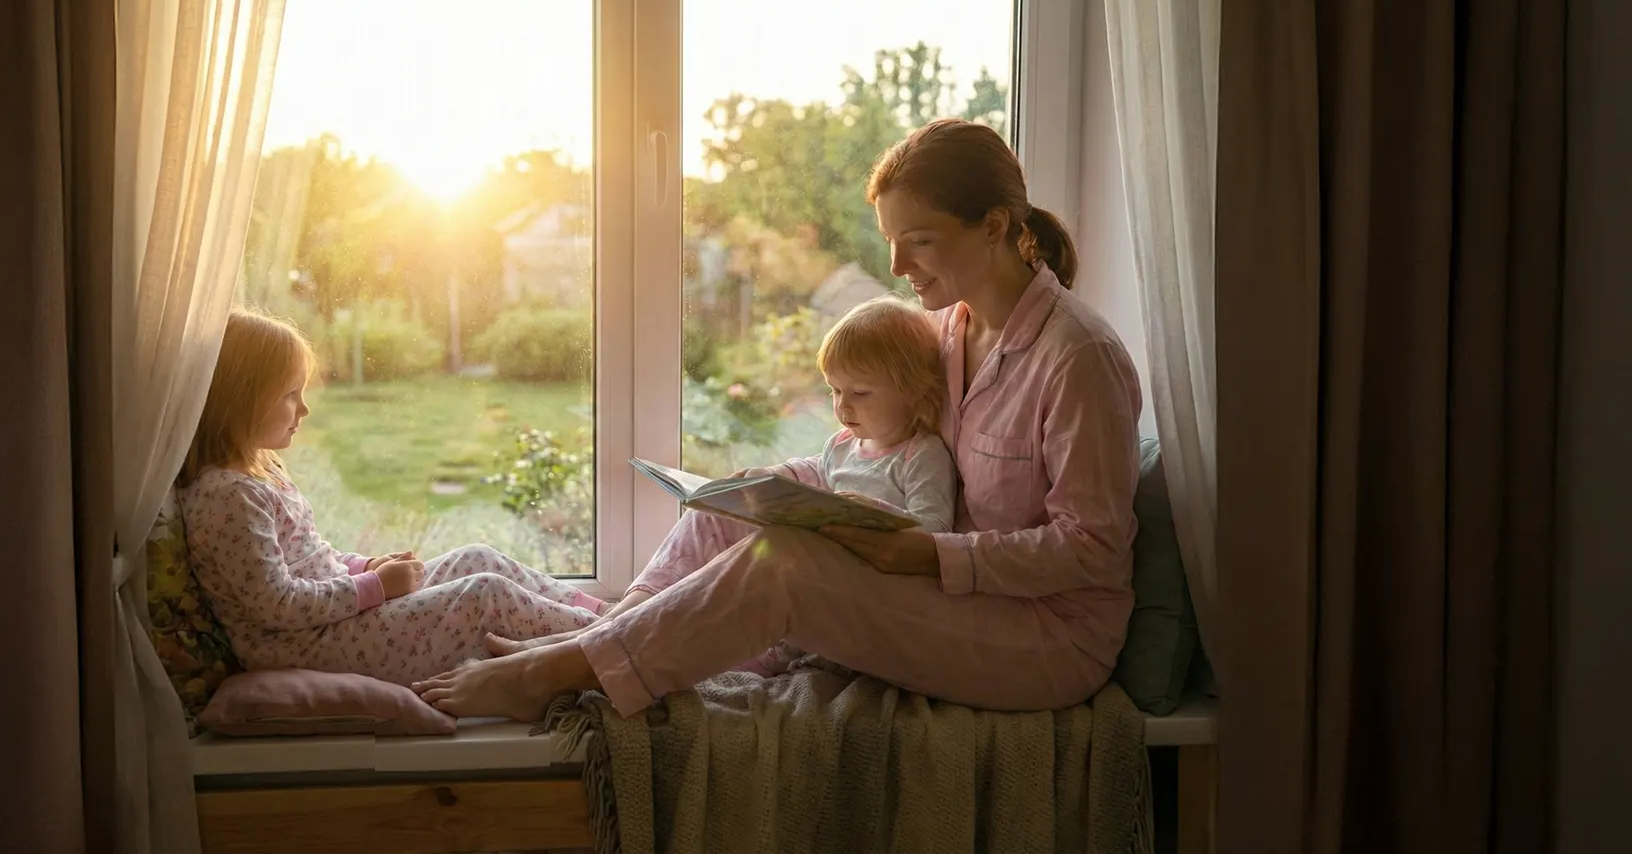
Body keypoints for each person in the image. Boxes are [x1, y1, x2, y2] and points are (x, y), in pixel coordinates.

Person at [415, 118, 1143, 722]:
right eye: (890, 239)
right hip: (959, 594)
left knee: (785, 570)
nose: (894, 265)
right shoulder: (951, 330)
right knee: (732, 502)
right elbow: (894, 445)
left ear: (993, 226)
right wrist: (777, 489)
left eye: (917, 240)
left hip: (1045, 640)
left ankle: (554, 676)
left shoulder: (1078, 357)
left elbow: (1092, 547)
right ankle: (601, 636)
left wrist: (927, 555)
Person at [488, 294, 959, 677]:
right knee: (709, 511)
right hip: (803, 585)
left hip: (844, 608)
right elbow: (813, 470)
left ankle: (598, 643)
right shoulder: (844, 445)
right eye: (835, 391)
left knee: (721, 612)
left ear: (914, 389)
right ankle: (612, 623)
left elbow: (935, 533)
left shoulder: (923, 457)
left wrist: (882, 523)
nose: (842, 407)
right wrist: (771, 479)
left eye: (860, 393)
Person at [178, 309, 604, 687]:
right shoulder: (229, 498)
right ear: (242, 400)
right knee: (482, 595)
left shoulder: (261, 470)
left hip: (330, 621)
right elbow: (279, 605)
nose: (304, 409)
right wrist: (374, 587)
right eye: (290, 395)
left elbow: (310, 557)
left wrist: (364, 567)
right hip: (305, 646)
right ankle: (607, 643)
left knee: (477, 557)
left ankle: (604, 615)